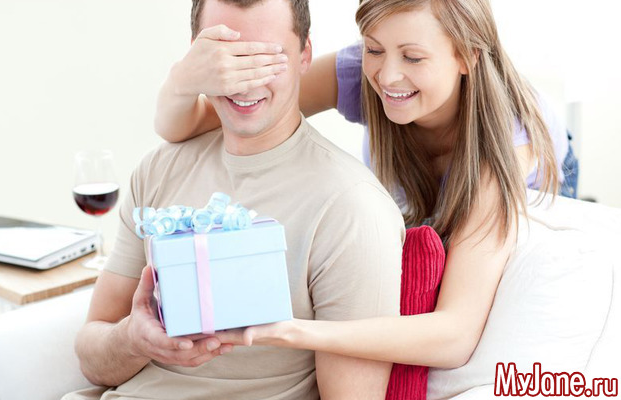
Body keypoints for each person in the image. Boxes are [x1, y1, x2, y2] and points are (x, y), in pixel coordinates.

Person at [151, 0, 565, 370]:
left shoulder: (508, 143)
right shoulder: (357, 74)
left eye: (413, 57)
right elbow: (189, 125)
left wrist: (290, 330)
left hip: (522, 154)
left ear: (467, 55)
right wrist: (182, 80)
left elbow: (455, 336)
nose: (388, 76)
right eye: (374, 49)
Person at [65, 0, 405, 399]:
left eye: (267, 59)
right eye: (228, 58)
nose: (245, 82)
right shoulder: (158, 169)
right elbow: (91, 358)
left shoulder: (353, 208)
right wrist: (132, 339)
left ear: (304, 55)